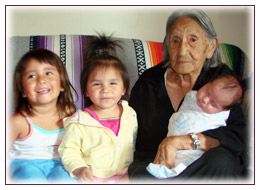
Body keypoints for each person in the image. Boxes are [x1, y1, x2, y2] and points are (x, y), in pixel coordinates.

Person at [128, 9, 247, 182]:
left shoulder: (221, 80)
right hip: (159, 168)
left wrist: (179, 142)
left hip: (205, 165)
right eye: (175, 41)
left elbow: (237, 138)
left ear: (211, 46)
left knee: (221, 162)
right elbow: (133, 136)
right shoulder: (148, 82)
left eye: (192, 40)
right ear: (168, 46)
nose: (182, 50)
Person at [58, 34, 138, 184]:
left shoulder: (130, 114)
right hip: (93, 178)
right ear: (86, 91)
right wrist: (79, 168)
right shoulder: (79, 121)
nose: (105, 90)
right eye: (96, 84)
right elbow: (68, 150)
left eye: (113, 83)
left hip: (126, 176)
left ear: (123, 89)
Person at [146, 74, 244, 178]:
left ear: (223, 110)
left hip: (196, 158)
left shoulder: (220, 116)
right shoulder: (191, 97)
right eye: (207, 91)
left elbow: (236, 141)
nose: (205, 99)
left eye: (213, 103)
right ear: (207, 83)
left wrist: (180, 142)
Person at [8, 48, 77, 183]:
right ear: (23, 90)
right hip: (25, 165)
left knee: (66, 179)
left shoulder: (70, 112)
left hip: (60, 166)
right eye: (31, 76)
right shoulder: (18, 121)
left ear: (62, 84)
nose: (41, 80)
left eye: (48, 73)